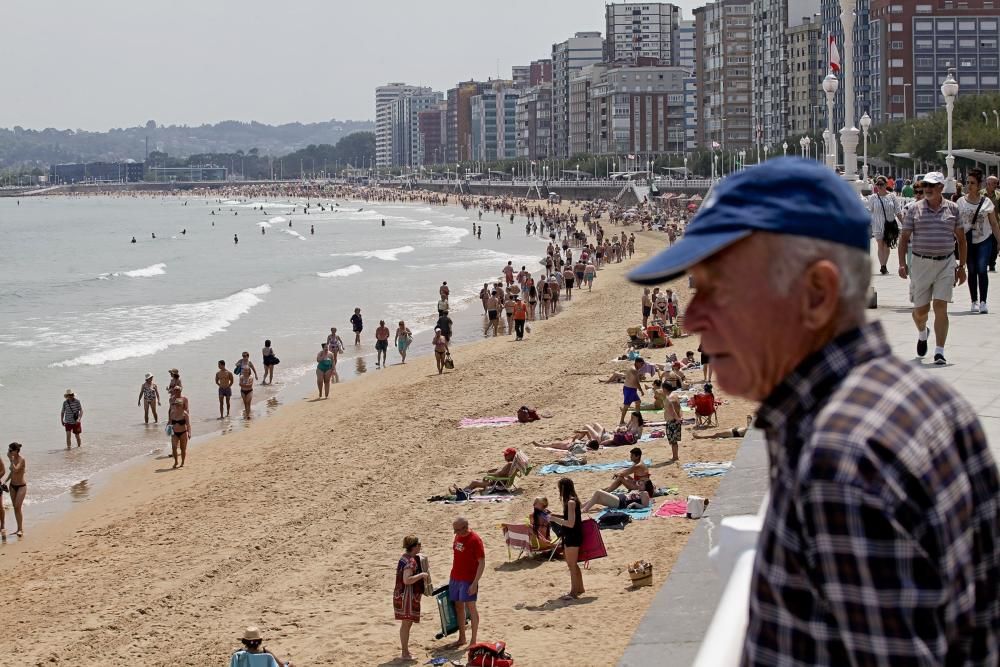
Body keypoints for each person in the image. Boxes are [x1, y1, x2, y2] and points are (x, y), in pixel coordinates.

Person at [627, 157, 999, 665]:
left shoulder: (838, 464)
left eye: (718, 289)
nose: (692, 318)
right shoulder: (923, 401)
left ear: (817, 294)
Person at [898, 171, 967, 364]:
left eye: (931, 186)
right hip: (920, 264)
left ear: (941, 188)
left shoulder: (953, 209)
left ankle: (939, 351)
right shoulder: (914, 209)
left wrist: (962, 266)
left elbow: (961, 240)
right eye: (925, 186)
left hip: (946, 263)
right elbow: (904, 238)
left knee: (940, 306)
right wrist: (903, 264)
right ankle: (922, 332)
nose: (927, 189)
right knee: (921, 311)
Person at [958, 169, 999, 313]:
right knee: (972, 270)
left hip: (984, 240)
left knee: (982, 269)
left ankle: (983, 302)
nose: (969, 185)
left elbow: (994, 223)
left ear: (979, 184)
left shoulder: (986, 202)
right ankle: (974, 300)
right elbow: (956, 224)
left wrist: (999, 240)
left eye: (972, 183)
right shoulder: (961, 202)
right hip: (967, 241)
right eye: (967, 182)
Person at [449, 517, 485, 647]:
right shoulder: (458, 536)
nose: (455, 533)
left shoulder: (475, 540)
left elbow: (481, 562)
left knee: (471, 607)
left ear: (465, 527)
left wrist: (475, 582)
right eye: (454, 530)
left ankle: (473, 640)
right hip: (455, 577)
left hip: (468, 579)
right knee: (458, 607)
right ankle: (462, 637)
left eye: (457, 530)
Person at [394, 534, 429, 661]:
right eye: (419, 545)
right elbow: (407, 580)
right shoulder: (411, 561)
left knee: (406, 624)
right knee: (406, 624)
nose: (420, 547)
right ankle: (404, 653)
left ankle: (405, 650)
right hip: (407, 597)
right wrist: (422, 575)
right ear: (414, 546)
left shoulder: (404, 557)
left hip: (401, 594)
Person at [548, 478, 584, 600]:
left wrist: (554, 519)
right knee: (573, 564)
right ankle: (580, 588)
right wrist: (554, 516)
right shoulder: (572, 501)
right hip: (572, 535)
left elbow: (570, 523)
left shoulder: (570, 502)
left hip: (572, 536)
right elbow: (568, 517)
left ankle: (574, 592)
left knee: (572, 565)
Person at [866, 175, 903, 275]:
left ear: (886, 184)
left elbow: (898, 211)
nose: (879, 186)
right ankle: (882, 265)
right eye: (877, 184)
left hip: (889, 225)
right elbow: (869, 211)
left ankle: (884, 265)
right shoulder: (873, 197)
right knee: (880, 244)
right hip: (877, 224)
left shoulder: (892, 196)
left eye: (881, 184)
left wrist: (904, 223)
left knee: (887, 245)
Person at [580, 480, 654, 513]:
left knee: (598, 492)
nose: (639, 485)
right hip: (619, 499)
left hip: (621, 502)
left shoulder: (645, 493)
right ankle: (581, 507)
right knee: (597, 499)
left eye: (641, 485)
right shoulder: (640, 491)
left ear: (646, 487)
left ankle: (585, 509)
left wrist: (634, 504)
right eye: (640, 484)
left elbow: (645, 506)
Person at [5, 443, 26, 538]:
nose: (9, 452)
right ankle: (18, 529)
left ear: (16, 451)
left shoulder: (22, 459)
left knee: (18, 506)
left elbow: (16, 469)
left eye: (10, 450)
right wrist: (5, 481)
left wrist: (11, 460)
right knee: (15, 507)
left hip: (21, 486)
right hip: (12, 486)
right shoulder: (13, 459)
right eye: (9, 450)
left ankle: (21, 529)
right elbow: (12, 472)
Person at [167, 386, 190, 468]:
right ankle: (176, 461)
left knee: (183, 448)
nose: (176, 391)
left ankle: (182, 462)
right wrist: (168, 424)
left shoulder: (184, 399)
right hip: (174, 424)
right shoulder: (171, 399)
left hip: (182, 423)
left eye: (178, 390)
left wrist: (184, 416)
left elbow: (187, 409)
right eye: (175, 390)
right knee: (174, 447)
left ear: (181, 390)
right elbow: (170, 410)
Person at [620, 358, 646, 424]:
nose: (642, 365)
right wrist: (641, 390)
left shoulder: (633, 368)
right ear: (637, 362)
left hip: (630, 389)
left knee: (638, 402)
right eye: (641, 364)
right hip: (630, 390)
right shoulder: (634, 370)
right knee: (626, 406)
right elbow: (636, 382)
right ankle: (621, 421)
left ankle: (638, 417)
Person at [664, 386, 683, 462]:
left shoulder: (669, 399)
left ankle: (675, 457)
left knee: (673, 441)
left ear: (665, 389)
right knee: (674, 441)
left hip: (672, 421)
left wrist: (678, 419)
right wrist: (681, 417)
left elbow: (673, 411)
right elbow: (679, 408)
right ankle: (675, 456)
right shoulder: (675, 395)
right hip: (676, 420)